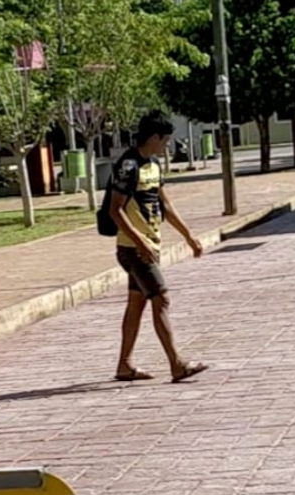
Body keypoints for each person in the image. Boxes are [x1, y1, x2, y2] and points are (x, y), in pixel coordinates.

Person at [109, 110, 209, 384]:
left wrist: (188, 236)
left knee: (137, 302)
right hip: (134, 248)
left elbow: (165, 204)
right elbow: (115, 210)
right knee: (161, 298)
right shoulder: (129, 165)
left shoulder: (153, 165)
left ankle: (124, 365)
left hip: (148, 244)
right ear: (154, 137)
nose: (166, 146)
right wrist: (141, 242)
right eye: (164, 141)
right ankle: (177, 364)